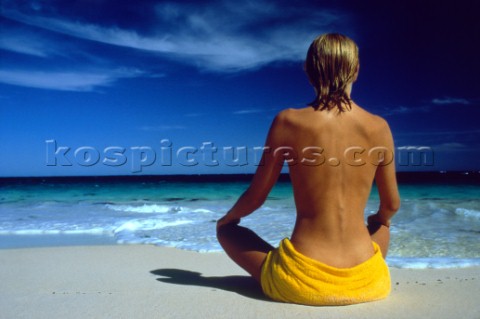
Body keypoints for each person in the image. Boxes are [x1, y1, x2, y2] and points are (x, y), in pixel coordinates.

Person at [216, 33, 400, 306]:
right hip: (369, 281)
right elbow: (391, 204)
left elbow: (256, 197)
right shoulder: (379, 127)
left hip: (300, 282)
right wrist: (377, 220)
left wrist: (228, 219)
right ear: (357, 70)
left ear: (308, 70)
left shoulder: (288, 121)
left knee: (226, 230)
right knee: (381, 224)